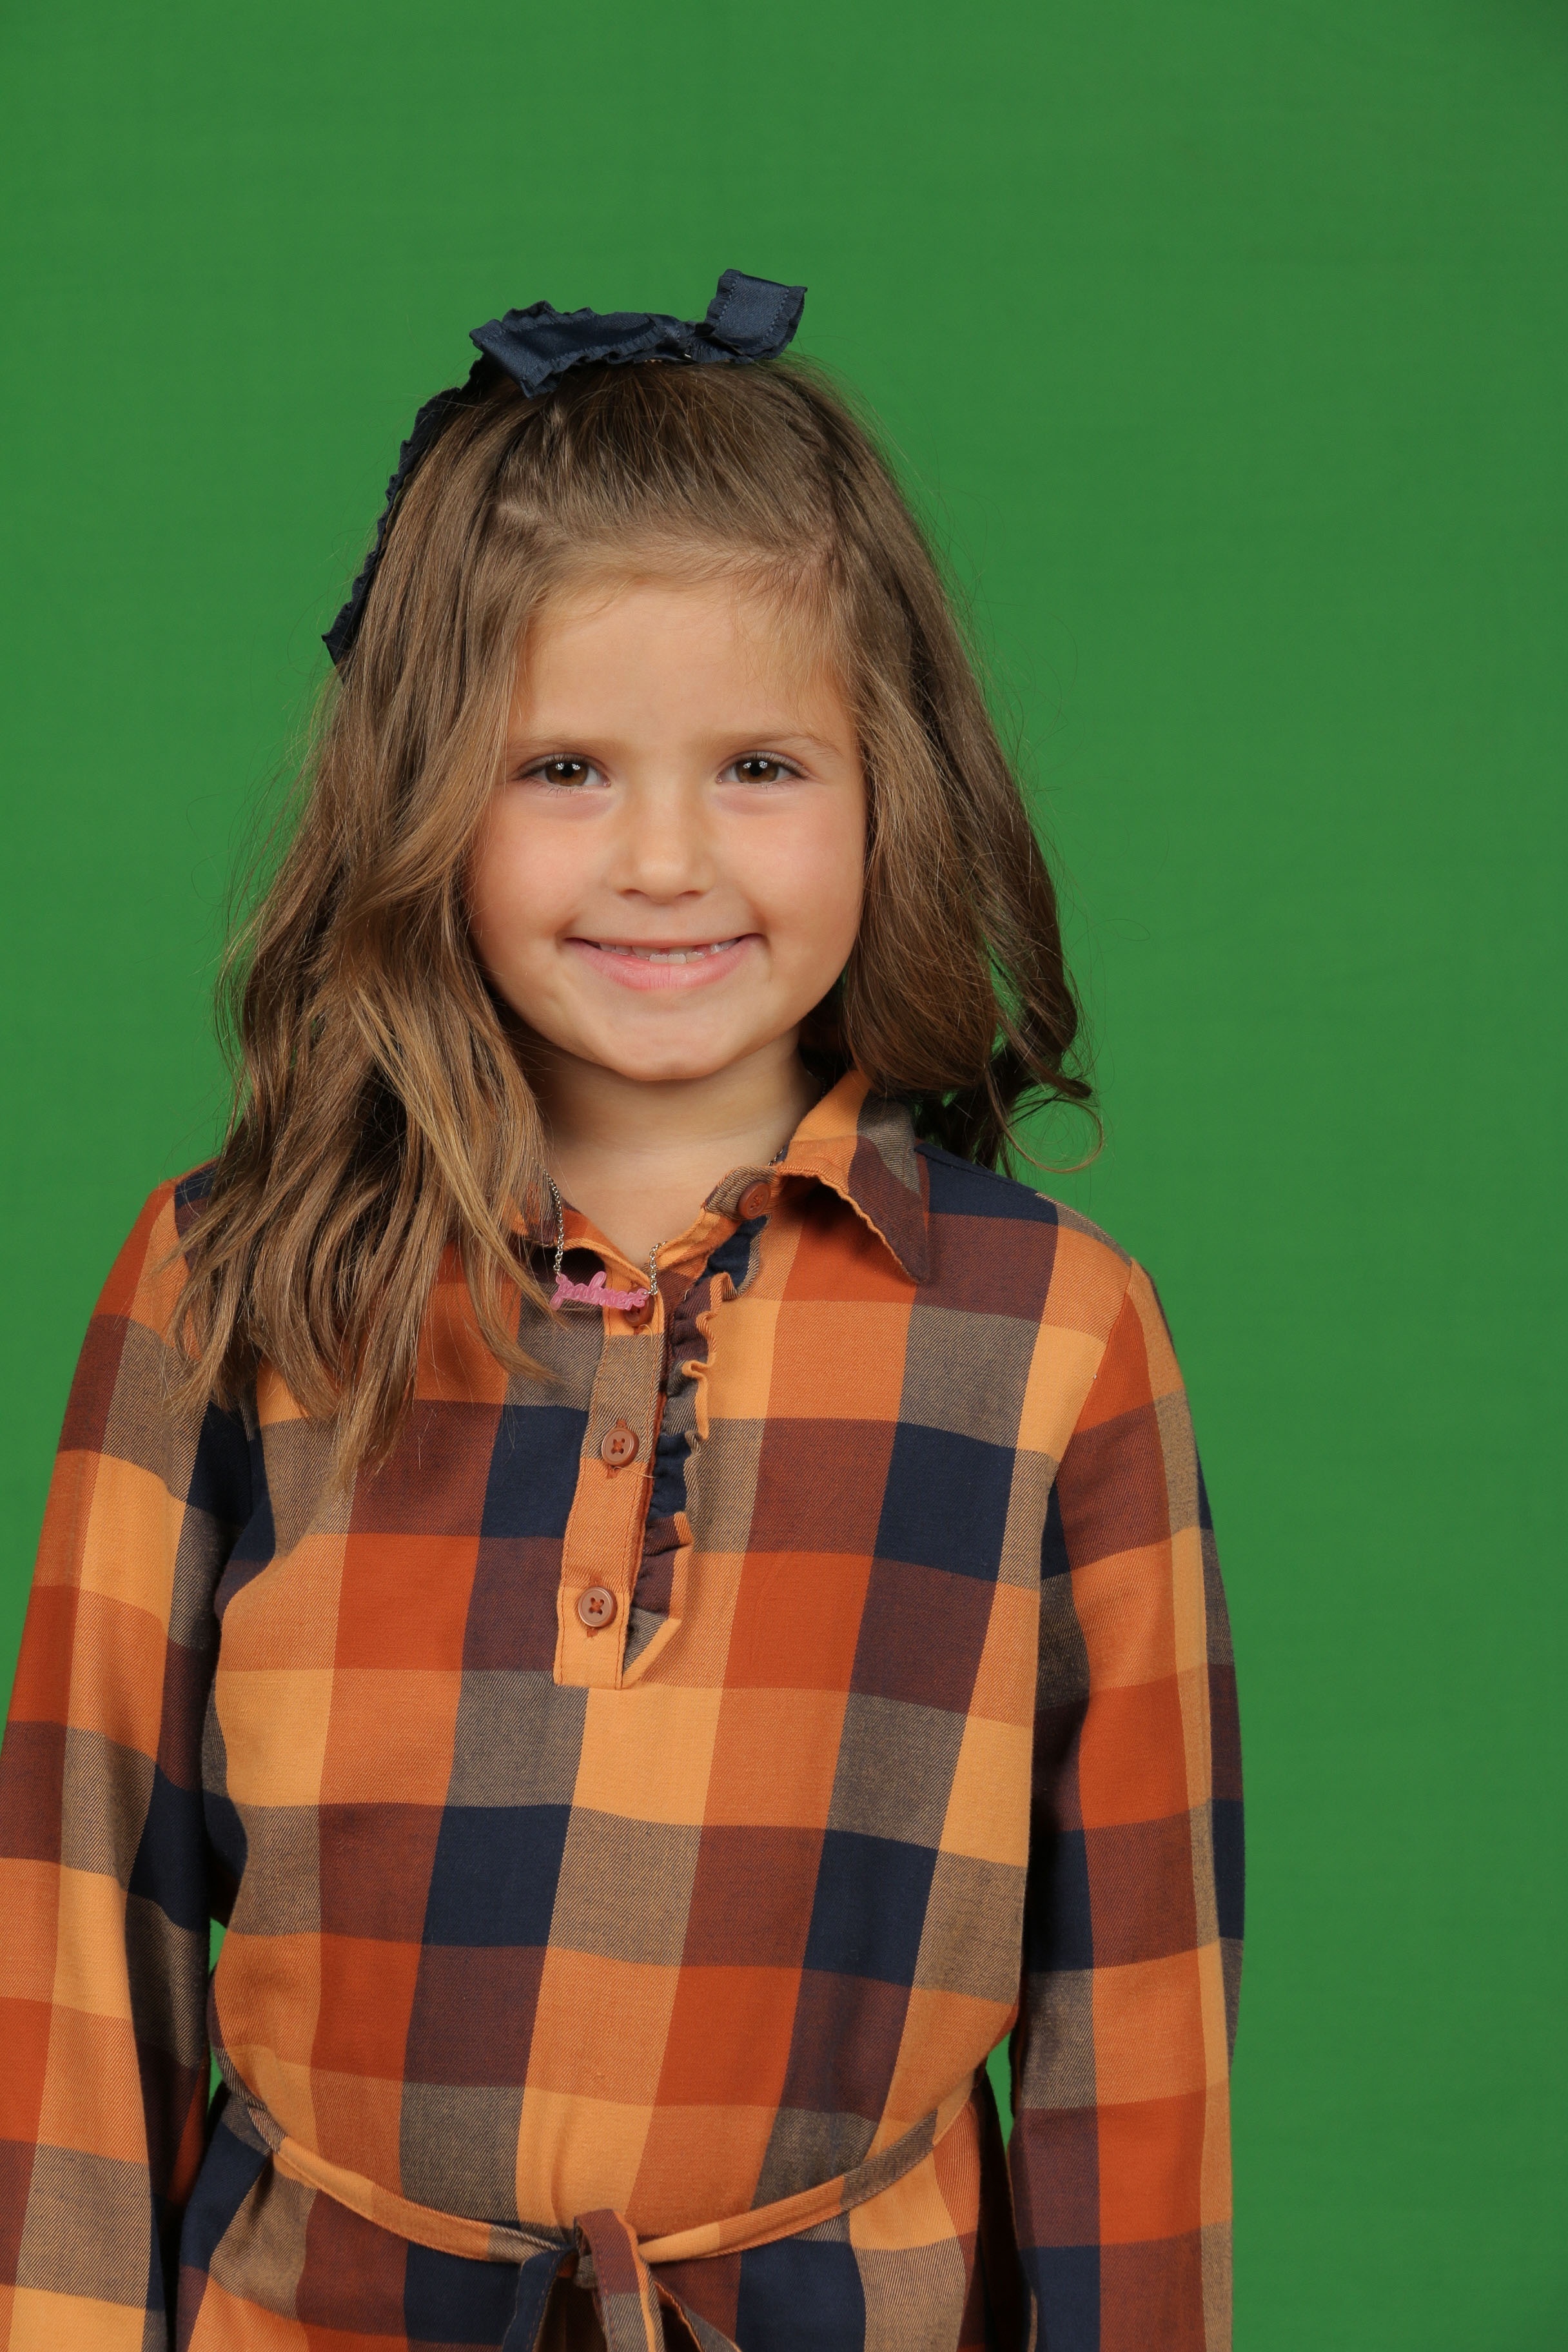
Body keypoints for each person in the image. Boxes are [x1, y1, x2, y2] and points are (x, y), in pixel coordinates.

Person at [0, 271, 1242, 2352]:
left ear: (894, 782)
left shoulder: (1055, 1338)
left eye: (761, 764)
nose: (665, 858)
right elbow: (71, 1919)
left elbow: (1138, 2016)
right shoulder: (235, 1275)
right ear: (425, 792)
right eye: (563, 766)